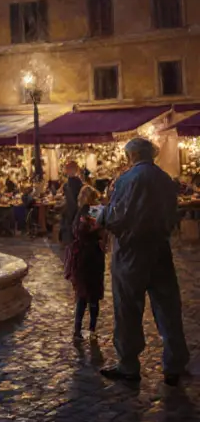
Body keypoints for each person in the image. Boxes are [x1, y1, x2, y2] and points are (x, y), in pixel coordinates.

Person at [98, 138, 190, 386]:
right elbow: (173, 214)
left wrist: (101, 215)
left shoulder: (127, 179)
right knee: (167, 308)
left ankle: (128, 364)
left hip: (131, 251)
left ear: (133, 155)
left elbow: (117, 217)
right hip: (160, 248)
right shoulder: (165, 179)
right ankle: (174, 363)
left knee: (128, 308)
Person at [64, 186, 105, 342]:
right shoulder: (93, 210)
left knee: (82, 294)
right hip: (92, 255)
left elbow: (77, 231)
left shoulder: (81, 211)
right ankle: (92, 329)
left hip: (81, 255)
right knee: (92, 294)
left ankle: (77, 330)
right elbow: (96, 230)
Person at [59, 161, 83, 245]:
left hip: (73, 209)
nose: (66, 170)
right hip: (72, 208)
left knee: (70, 225)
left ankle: (70, 243)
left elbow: (74, 198)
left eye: (67, 168)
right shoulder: (72, 182)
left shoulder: (75, 182)